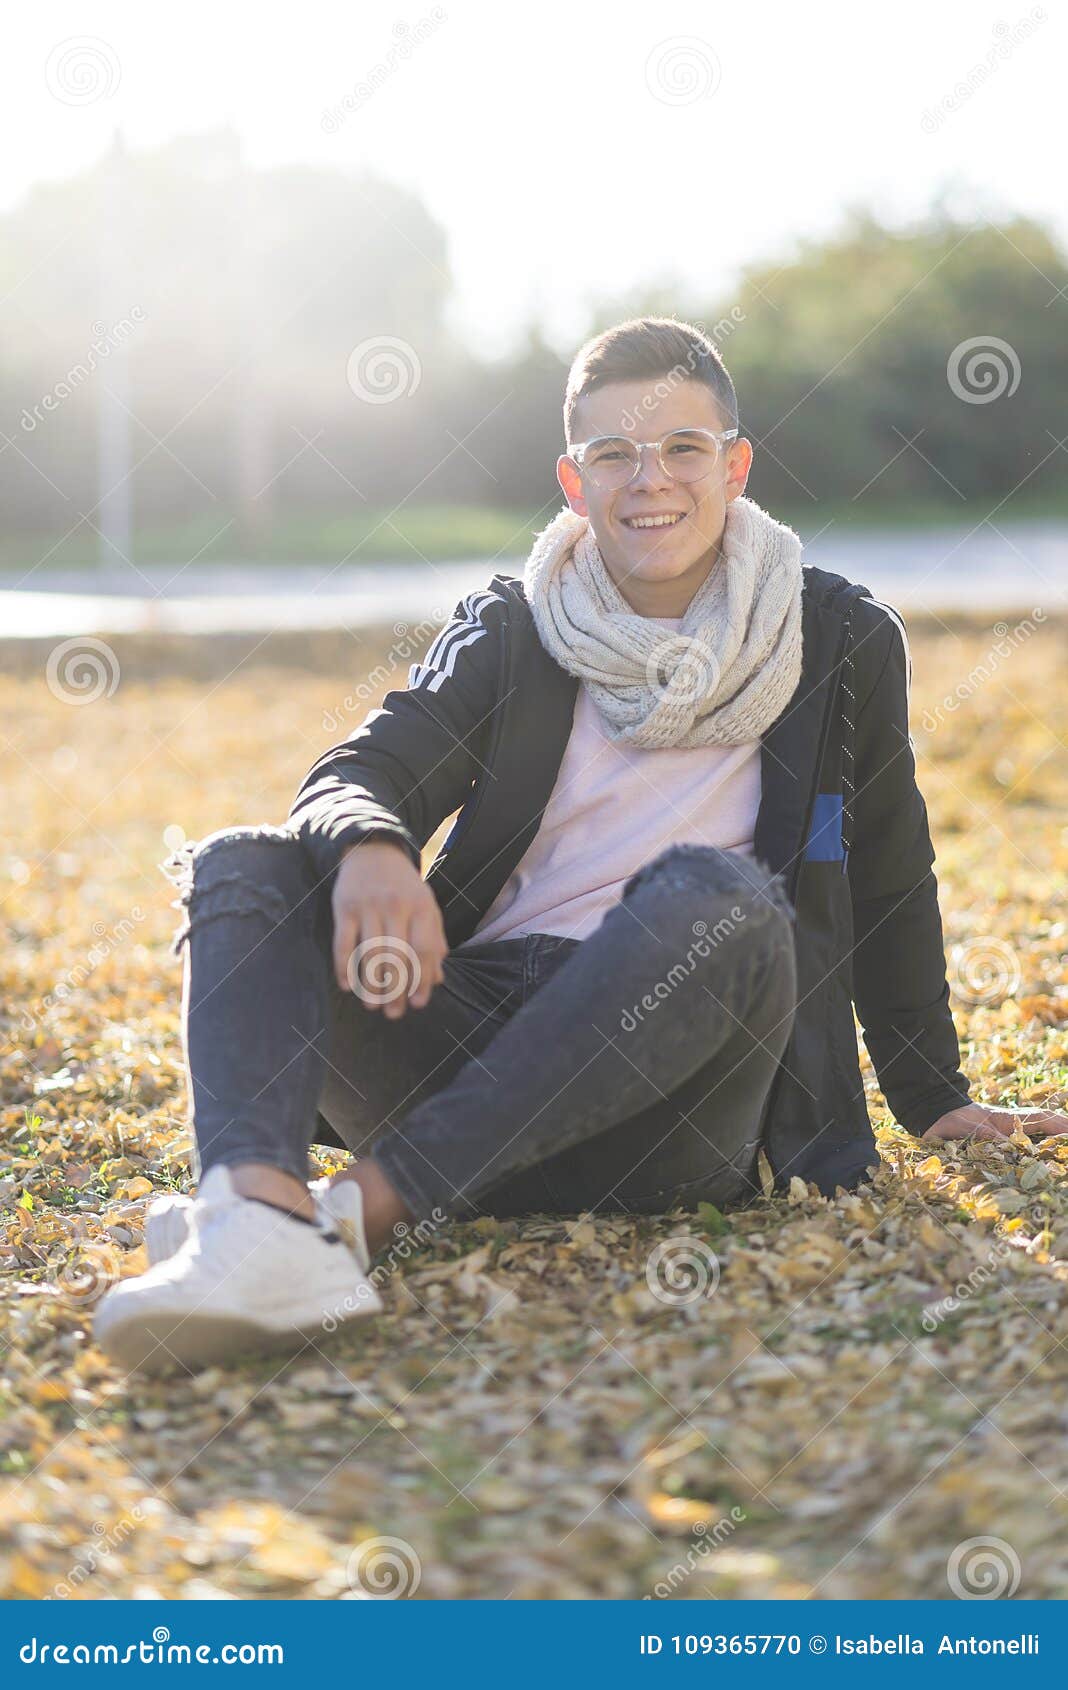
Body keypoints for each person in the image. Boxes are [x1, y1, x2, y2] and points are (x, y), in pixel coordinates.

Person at [94, 316, 1066, 1375]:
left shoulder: (836, 638)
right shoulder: (514, 625)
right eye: (614, 454)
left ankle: (357, 1219)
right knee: (245, 859)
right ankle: (252, 1221)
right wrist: (374, 845)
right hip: (472, 1048)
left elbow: (887, 860)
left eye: (683, 448)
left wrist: (934, 1097)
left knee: (721, 897)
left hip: (681, 1090)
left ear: (735, 465)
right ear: (574, 481)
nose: (650, 480)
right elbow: (358, 770)